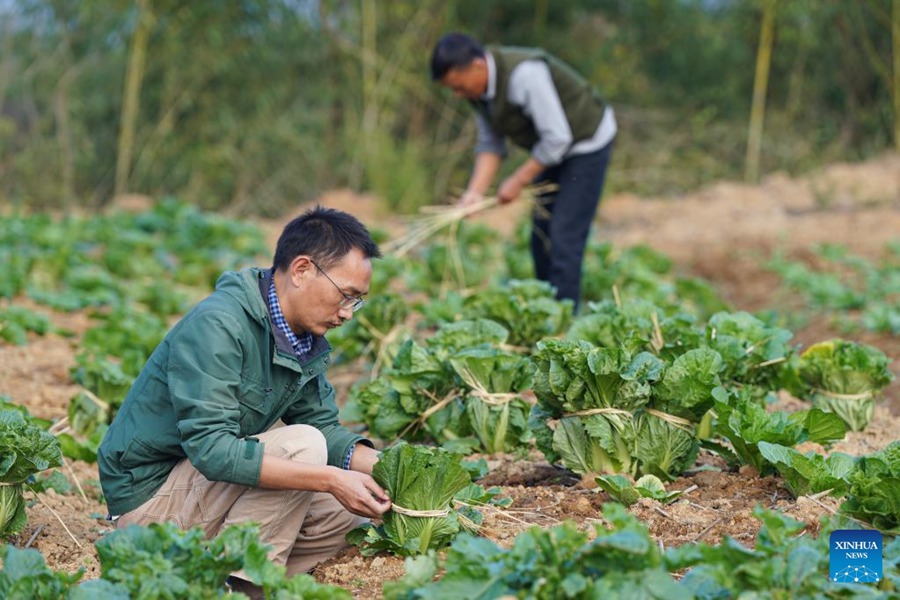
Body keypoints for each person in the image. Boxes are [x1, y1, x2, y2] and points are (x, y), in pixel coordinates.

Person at [98, 206, 391, 596]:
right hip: (151, 502)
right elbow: (212, 450)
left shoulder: (302, 336)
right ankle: (242, 586)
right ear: (302, 270)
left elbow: (326, 428)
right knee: (304, 448)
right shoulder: (219, 324)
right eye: (346, 296)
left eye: (357, 301)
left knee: (347, 514)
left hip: (205, 493)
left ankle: (213, 570)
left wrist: (393, 471)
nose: (347, 313)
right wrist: (331, 478)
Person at [431, 32, 616, 308]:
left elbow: (558, 138)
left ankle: (565, 321)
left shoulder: (524, 76)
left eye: (459, 87)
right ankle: (546, 308)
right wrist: (474, 193)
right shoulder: (479, 94)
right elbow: (490, 143)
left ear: (478, 66)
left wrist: (518, 180)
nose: (458, 95)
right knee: (540, 234)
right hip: (554, 151)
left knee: (564, 234)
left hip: (586, 143)